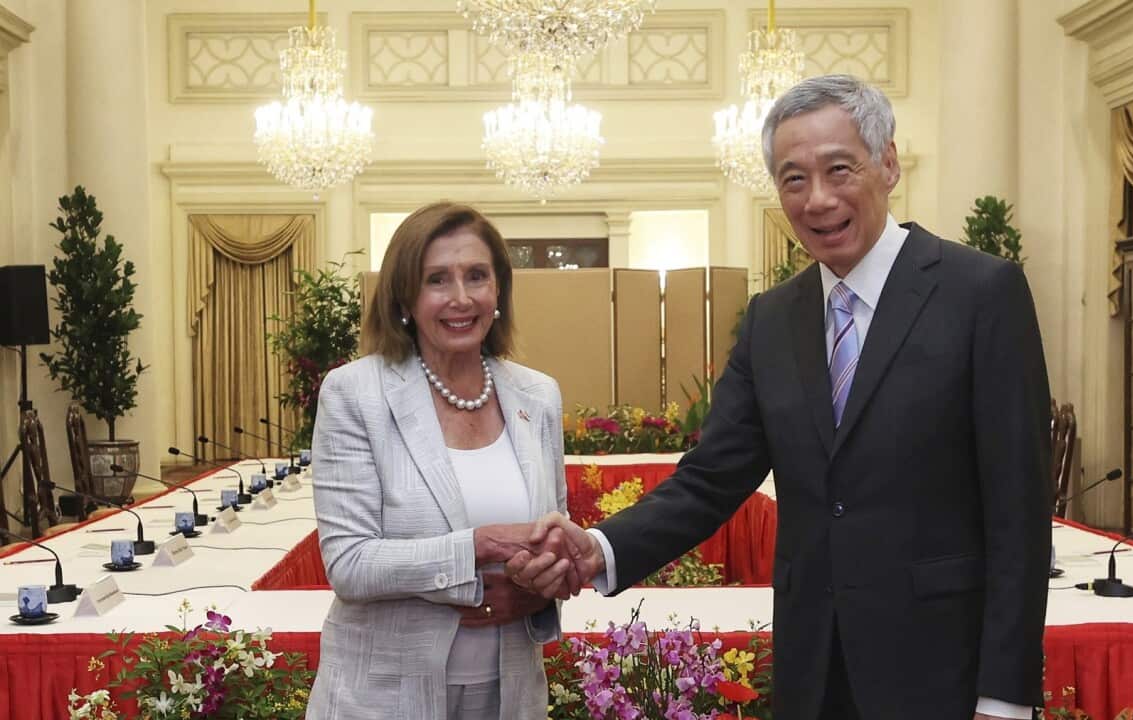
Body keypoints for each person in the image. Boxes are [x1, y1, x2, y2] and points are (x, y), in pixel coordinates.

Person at [511, 74, 1052, 719]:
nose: (817, 199)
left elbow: (1019, 511)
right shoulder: (773, 318)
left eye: (839, 169)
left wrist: (1006, 697)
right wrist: (598, 548)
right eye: (794, 179)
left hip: (941, 670)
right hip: (812, 670)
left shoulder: (980, 294)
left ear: (888, 163)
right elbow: (711, 478)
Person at [306, 202, 578, 720]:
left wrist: (545, 586)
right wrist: (477, 549)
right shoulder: (354, 394)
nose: (461, 298)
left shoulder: (537, 396)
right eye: (437, 279)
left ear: (499, 290)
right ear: (405, 297)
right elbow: (349, 564)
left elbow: (552, 536)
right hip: (383, 699)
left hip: (510, 695)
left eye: (477, 276)